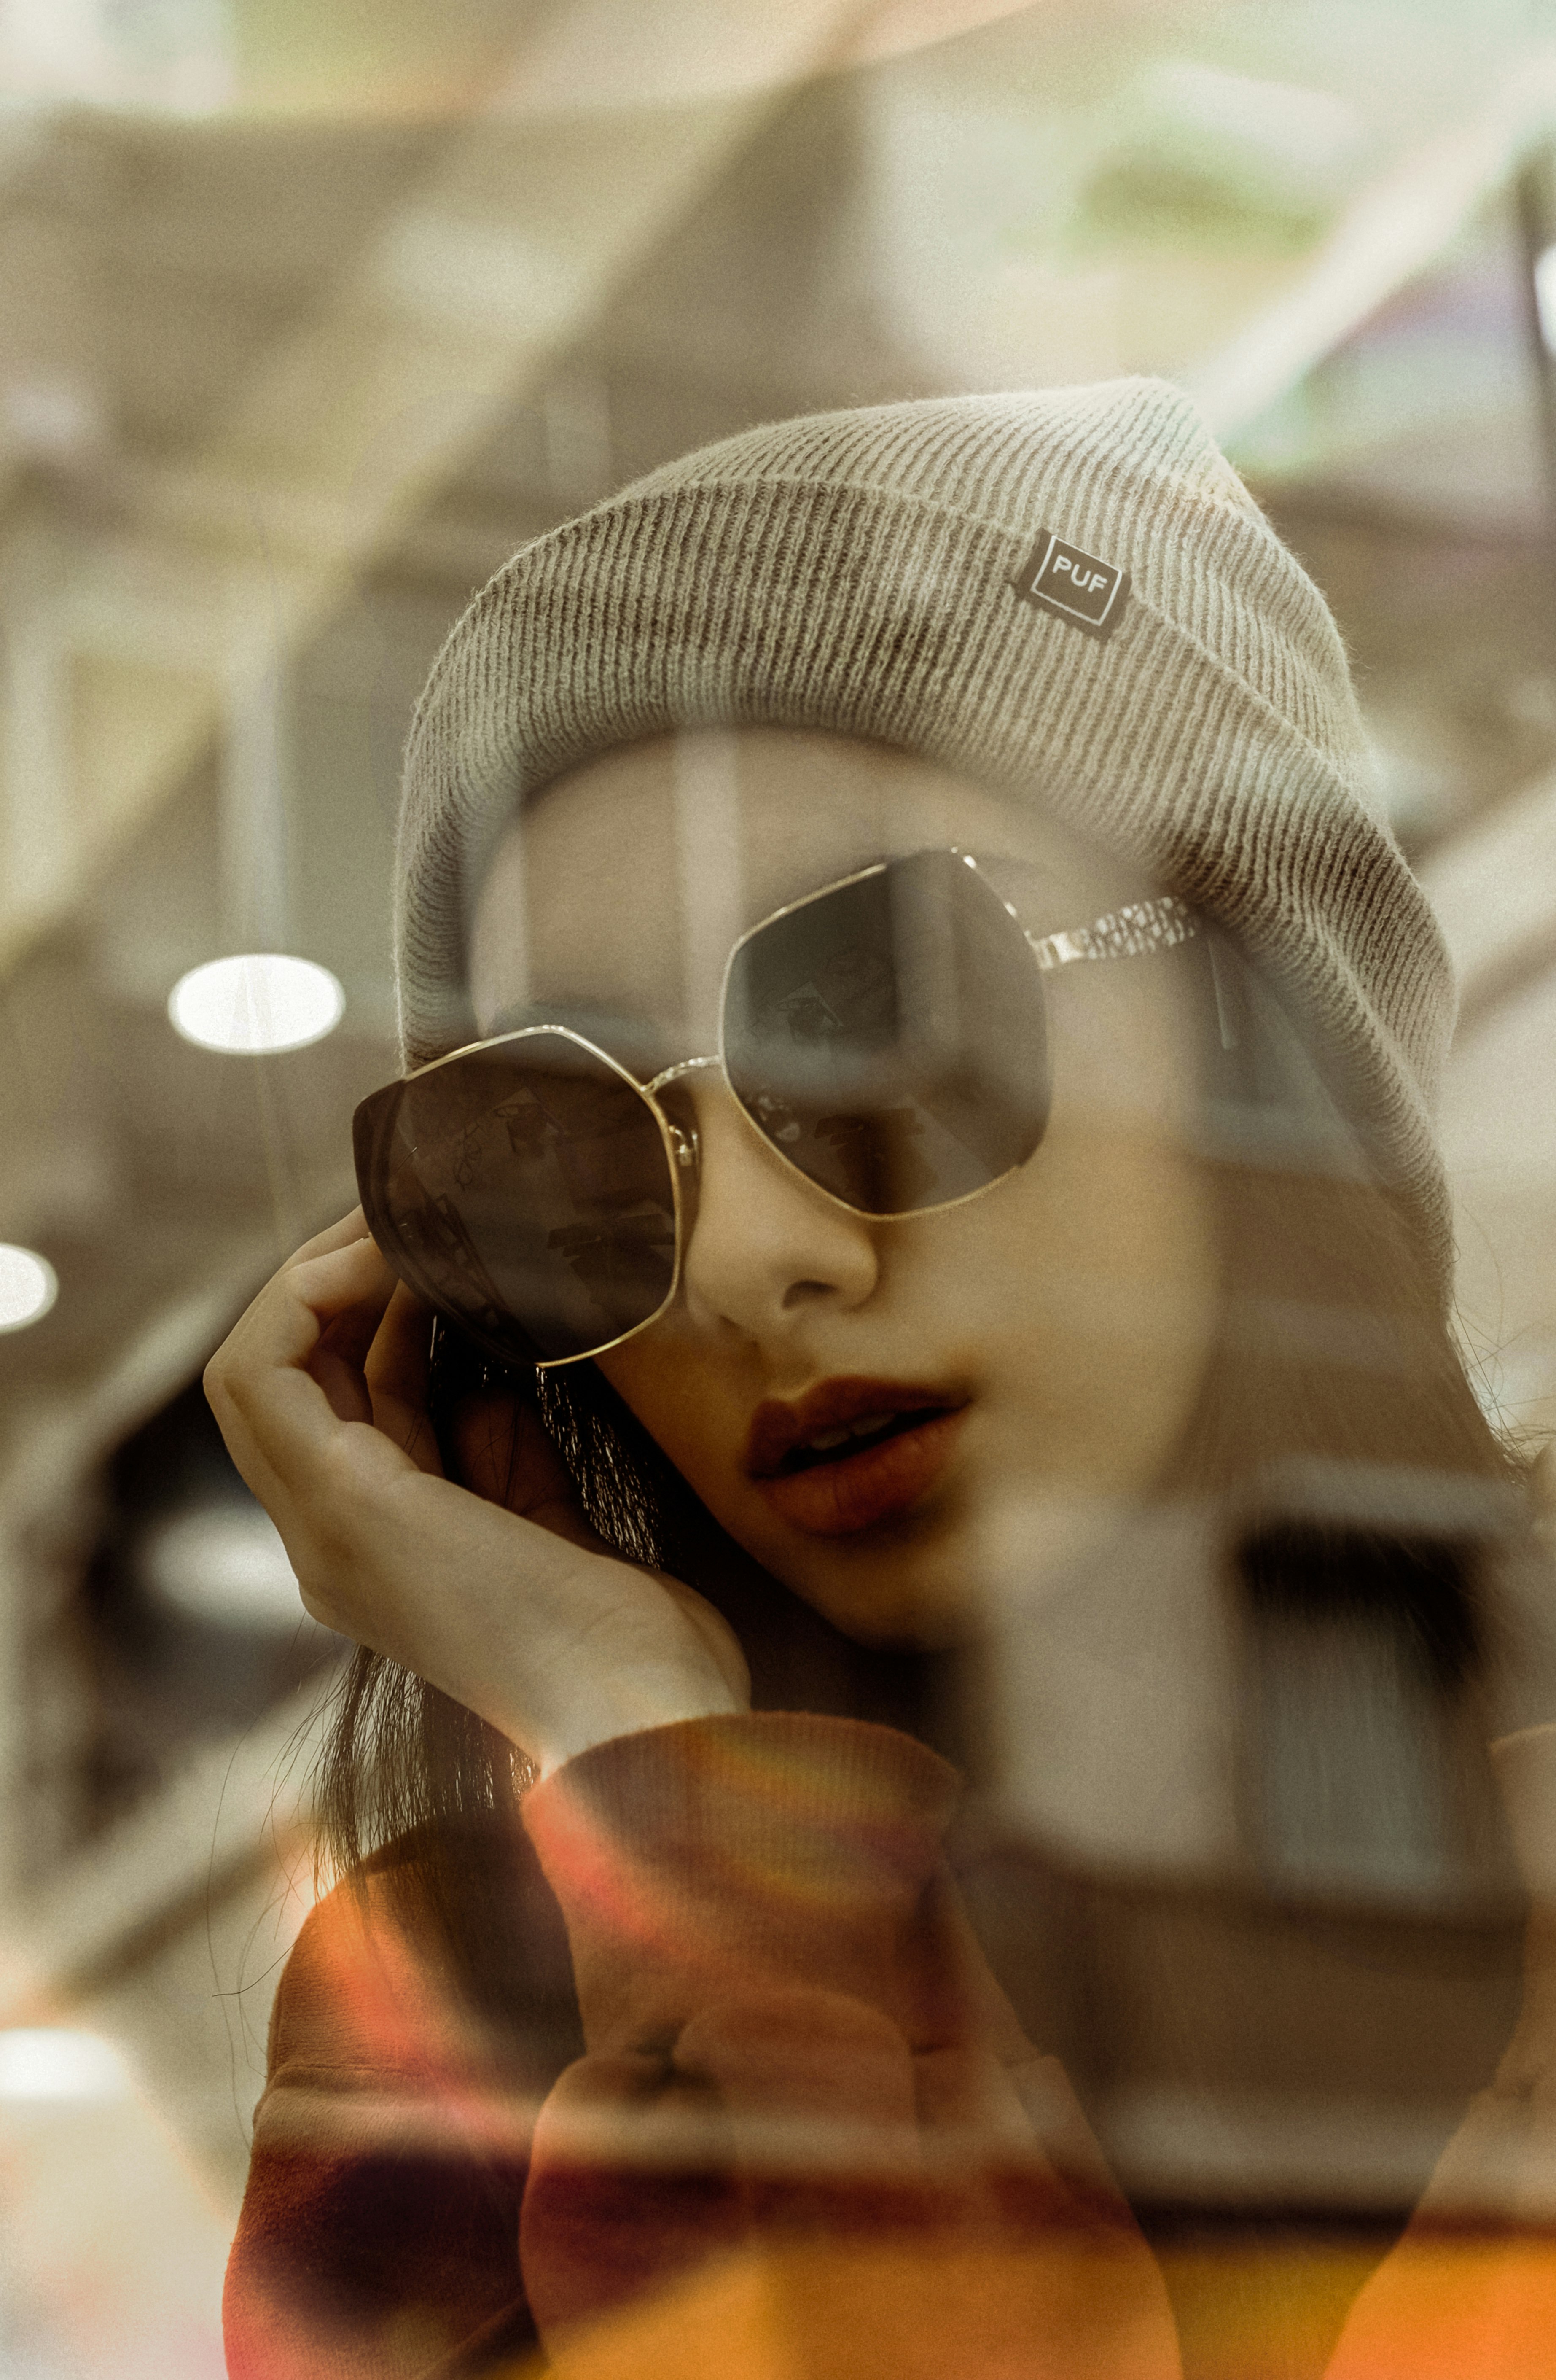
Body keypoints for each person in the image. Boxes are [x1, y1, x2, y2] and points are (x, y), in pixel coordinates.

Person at [207, 381, 1556, 2380]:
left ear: (1249, 1038)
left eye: (889, 1009)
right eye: (576, 1150)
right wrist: (652, 1755)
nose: (756, 1259)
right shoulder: (470, 2023)